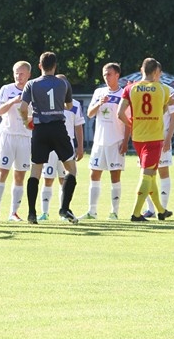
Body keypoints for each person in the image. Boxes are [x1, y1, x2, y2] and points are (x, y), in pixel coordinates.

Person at [20, 51, 79, 224]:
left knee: (35, 171)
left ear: (39, 66)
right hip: (58, 128)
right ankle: (64, 208)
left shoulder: (31, 84)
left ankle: (31, 213)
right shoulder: (63, 83)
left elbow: (23, 108)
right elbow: (69, 105)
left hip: (40, 130)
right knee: (71, 169)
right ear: (55, 66)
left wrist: (26, 121)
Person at [117, 58, 174, 222]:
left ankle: (161, 211)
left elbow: (120, 113)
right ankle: (136, 214)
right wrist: (168, 103)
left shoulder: (130, 88)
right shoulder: (162, 89)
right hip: (154, 137)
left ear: (142, 70)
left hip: (138, 137)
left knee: (152, 175)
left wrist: (132, 123)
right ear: (156, 72)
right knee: (146, 175)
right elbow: (162, 111)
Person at [82, 63, 129, 220]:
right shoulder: (99, 92)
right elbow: (89, 114)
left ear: (117, 75)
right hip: (99, 142)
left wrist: (125, 142)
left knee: (115, 177)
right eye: (104, 74)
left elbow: (129, 120)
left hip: (116, 141)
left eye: (109, 74)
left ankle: (114, 212)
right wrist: (99, 103)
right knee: (94, 175)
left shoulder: (124, 94)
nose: (106, 77)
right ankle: (92, 211)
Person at [38, 75, 85, 221]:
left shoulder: (75, 104)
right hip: (50, 144)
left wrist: (80, 147)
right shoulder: (47, 101)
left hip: (67, 144)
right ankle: (44, 212)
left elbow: (78, 127)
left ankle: (64, 210)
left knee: (65, 178)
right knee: (48, 178)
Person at [0, 61, 33, 222]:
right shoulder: (6, 89)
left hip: (24, 137)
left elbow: (35, 115)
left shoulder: (33, 90)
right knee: (2, 172)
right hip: (7, 135)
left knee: (20, 175)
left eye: (22, 73)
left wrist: (30, 121)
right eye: (16, 73)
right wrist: (13, 101)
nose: (18, 76)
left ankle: (13, 213)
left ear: (28, 74)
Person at [145, 65, 174, 218]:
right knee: (146, 173)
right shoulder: (142, 89)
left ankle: (163, 208)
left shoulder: (168, 90)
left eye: (157, 72)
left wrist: (168, 138)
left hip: (161, 136)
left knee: (163, 171)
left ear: (160, 73)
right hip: (145, 136)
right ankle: (150, 208)